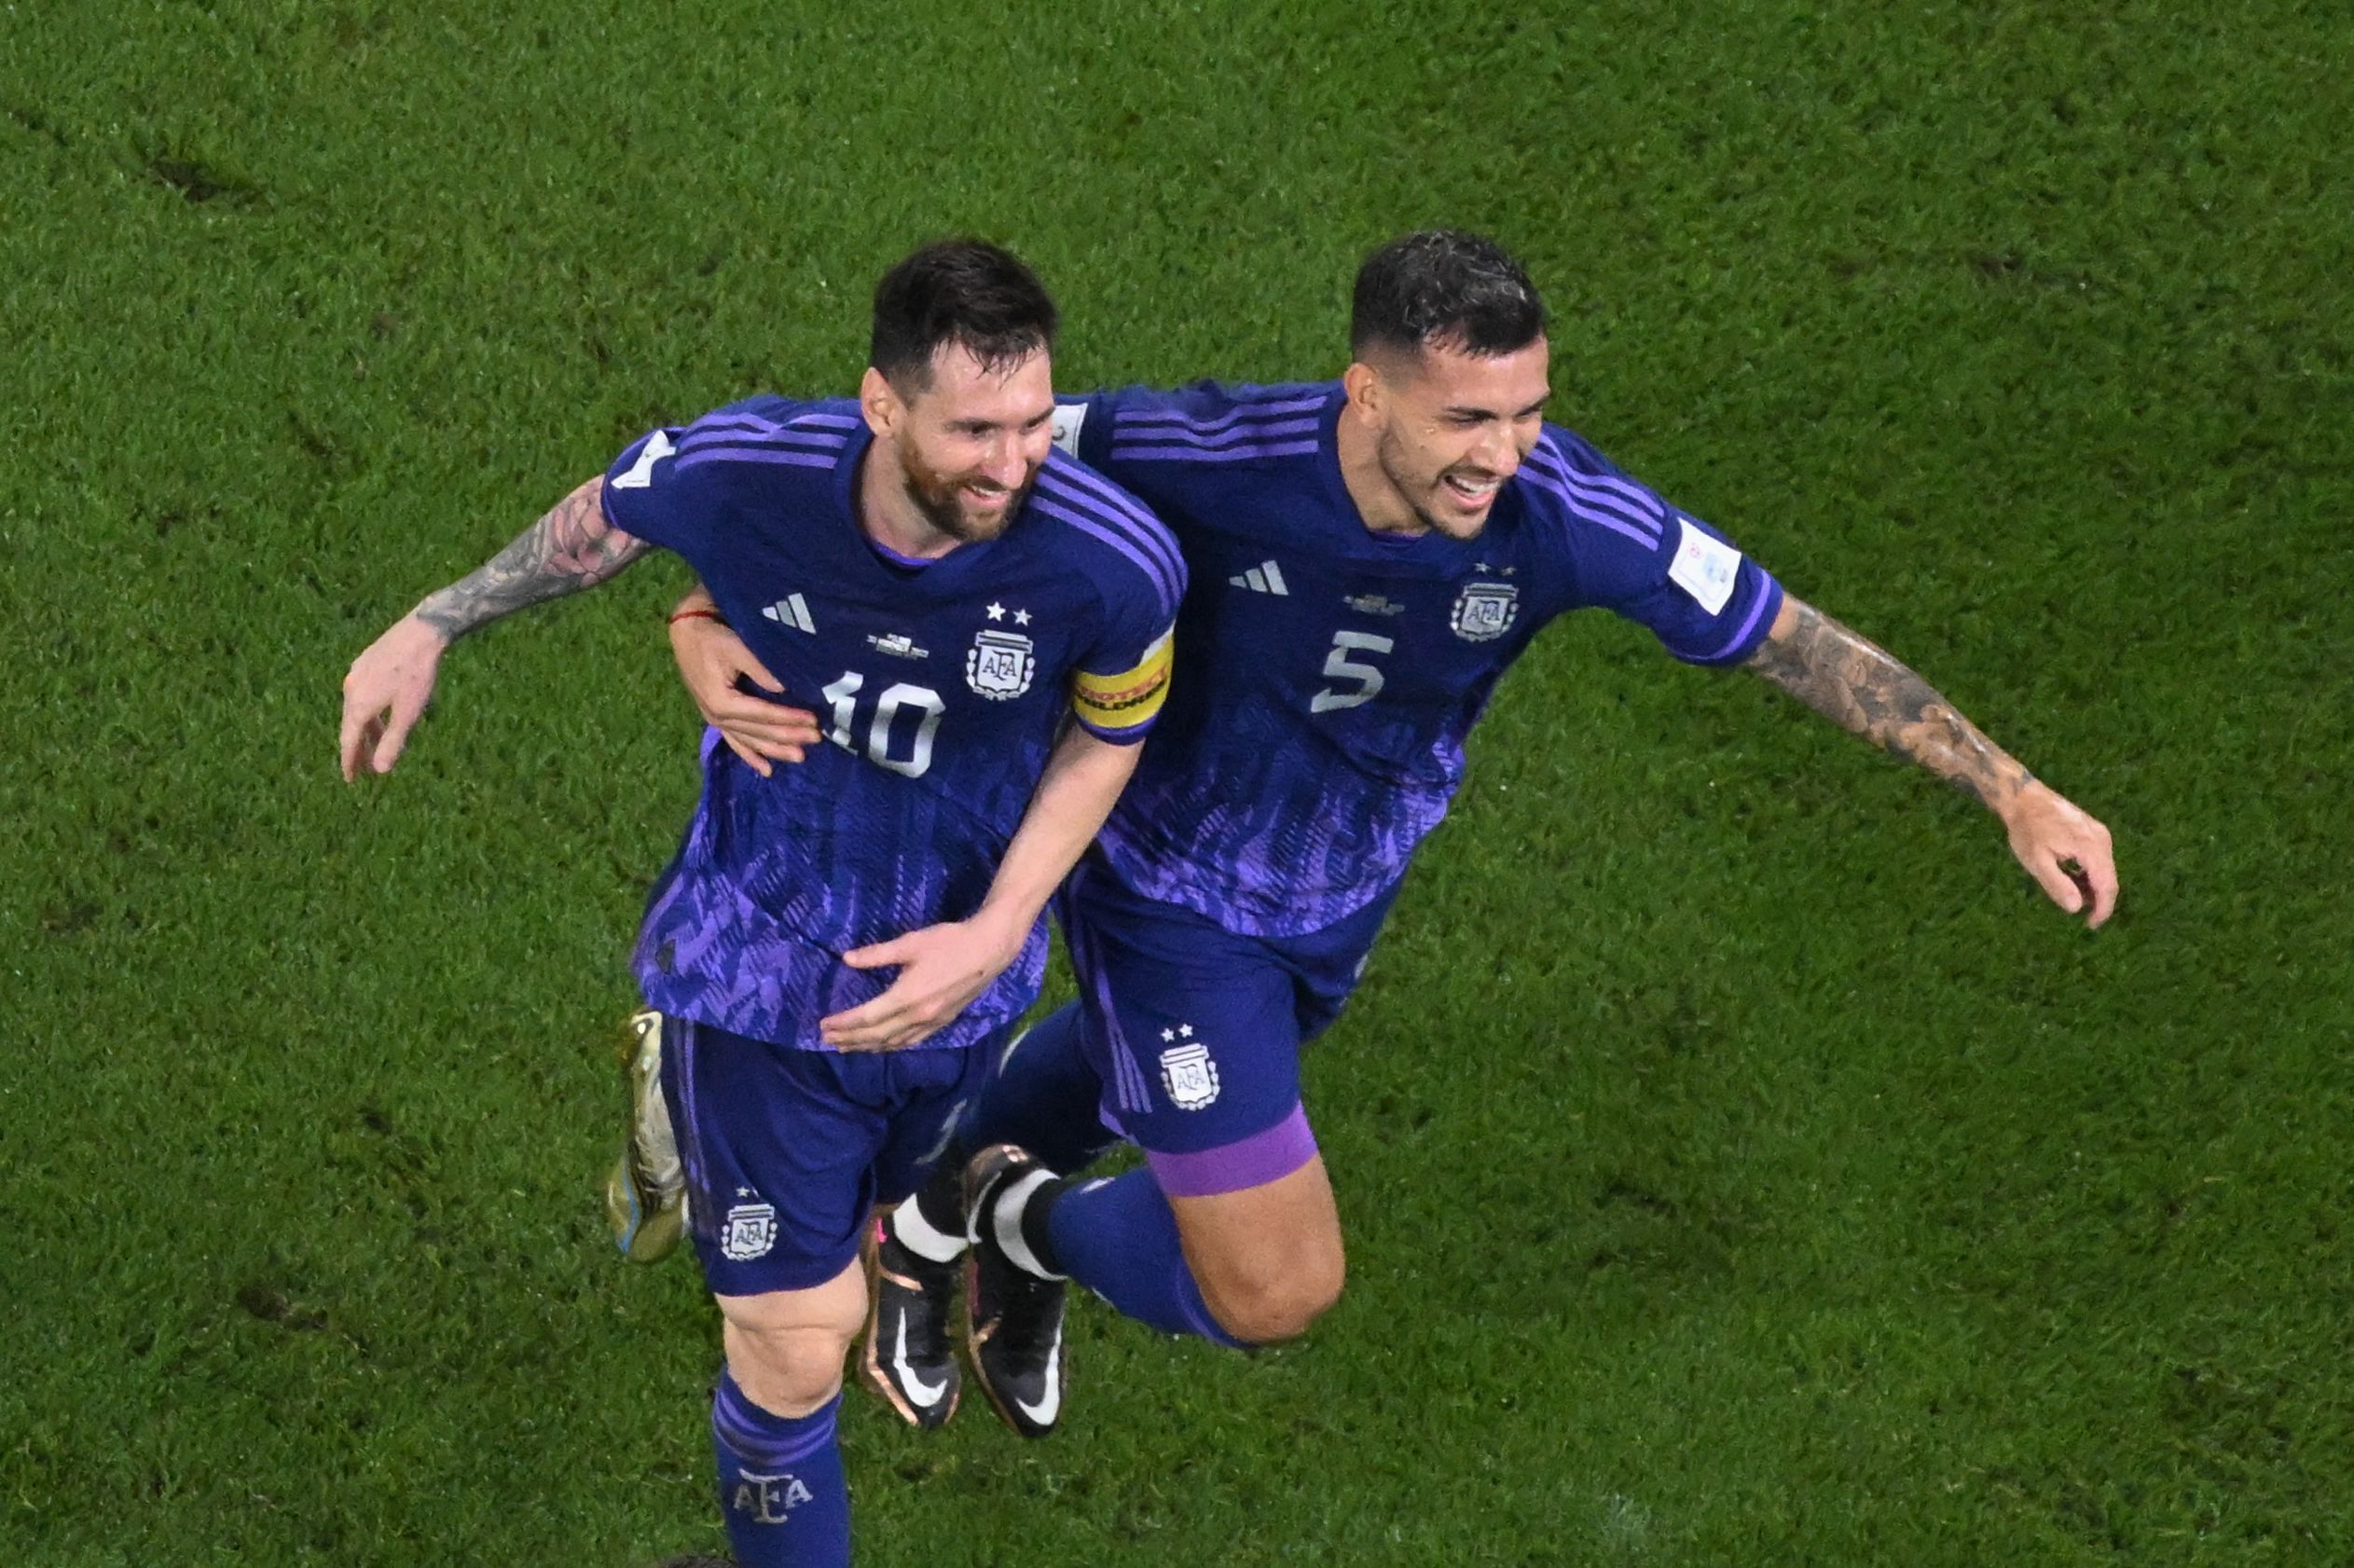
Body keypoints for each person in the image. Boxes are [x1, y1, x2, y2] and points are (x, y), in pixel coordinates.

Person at [661, 229, 2119, 1440]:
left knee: (1133, 1084)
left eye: (1527, 410)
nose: (1504, 455)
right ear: (1365, 396)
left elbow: (1786, 636)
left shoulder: (1565, 512)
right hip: (1166, 892)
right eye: (1464, 420)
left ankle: (952, 1208)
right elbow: (936, 468)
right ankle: (997, 1224)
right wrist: (704, 607)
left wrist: (2010, 786)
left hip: (1342, 892)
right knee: (1274, 1286)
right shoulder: (1202, 451)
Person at [337, 241, 1183, 1566]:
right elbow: (604, 518)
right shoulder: (747, 468)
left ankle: (704, 1123)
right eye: (972, 430)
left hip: (956, 973)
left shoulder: (1109, 562)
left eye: (1030, 423)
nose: (1011, 463)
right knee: (796, 1343)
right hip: (757, 959)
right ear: (880, 403)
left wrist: (1004, 924)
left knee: (875, 1219)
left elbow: (1109, 735)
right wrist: (431, 623)